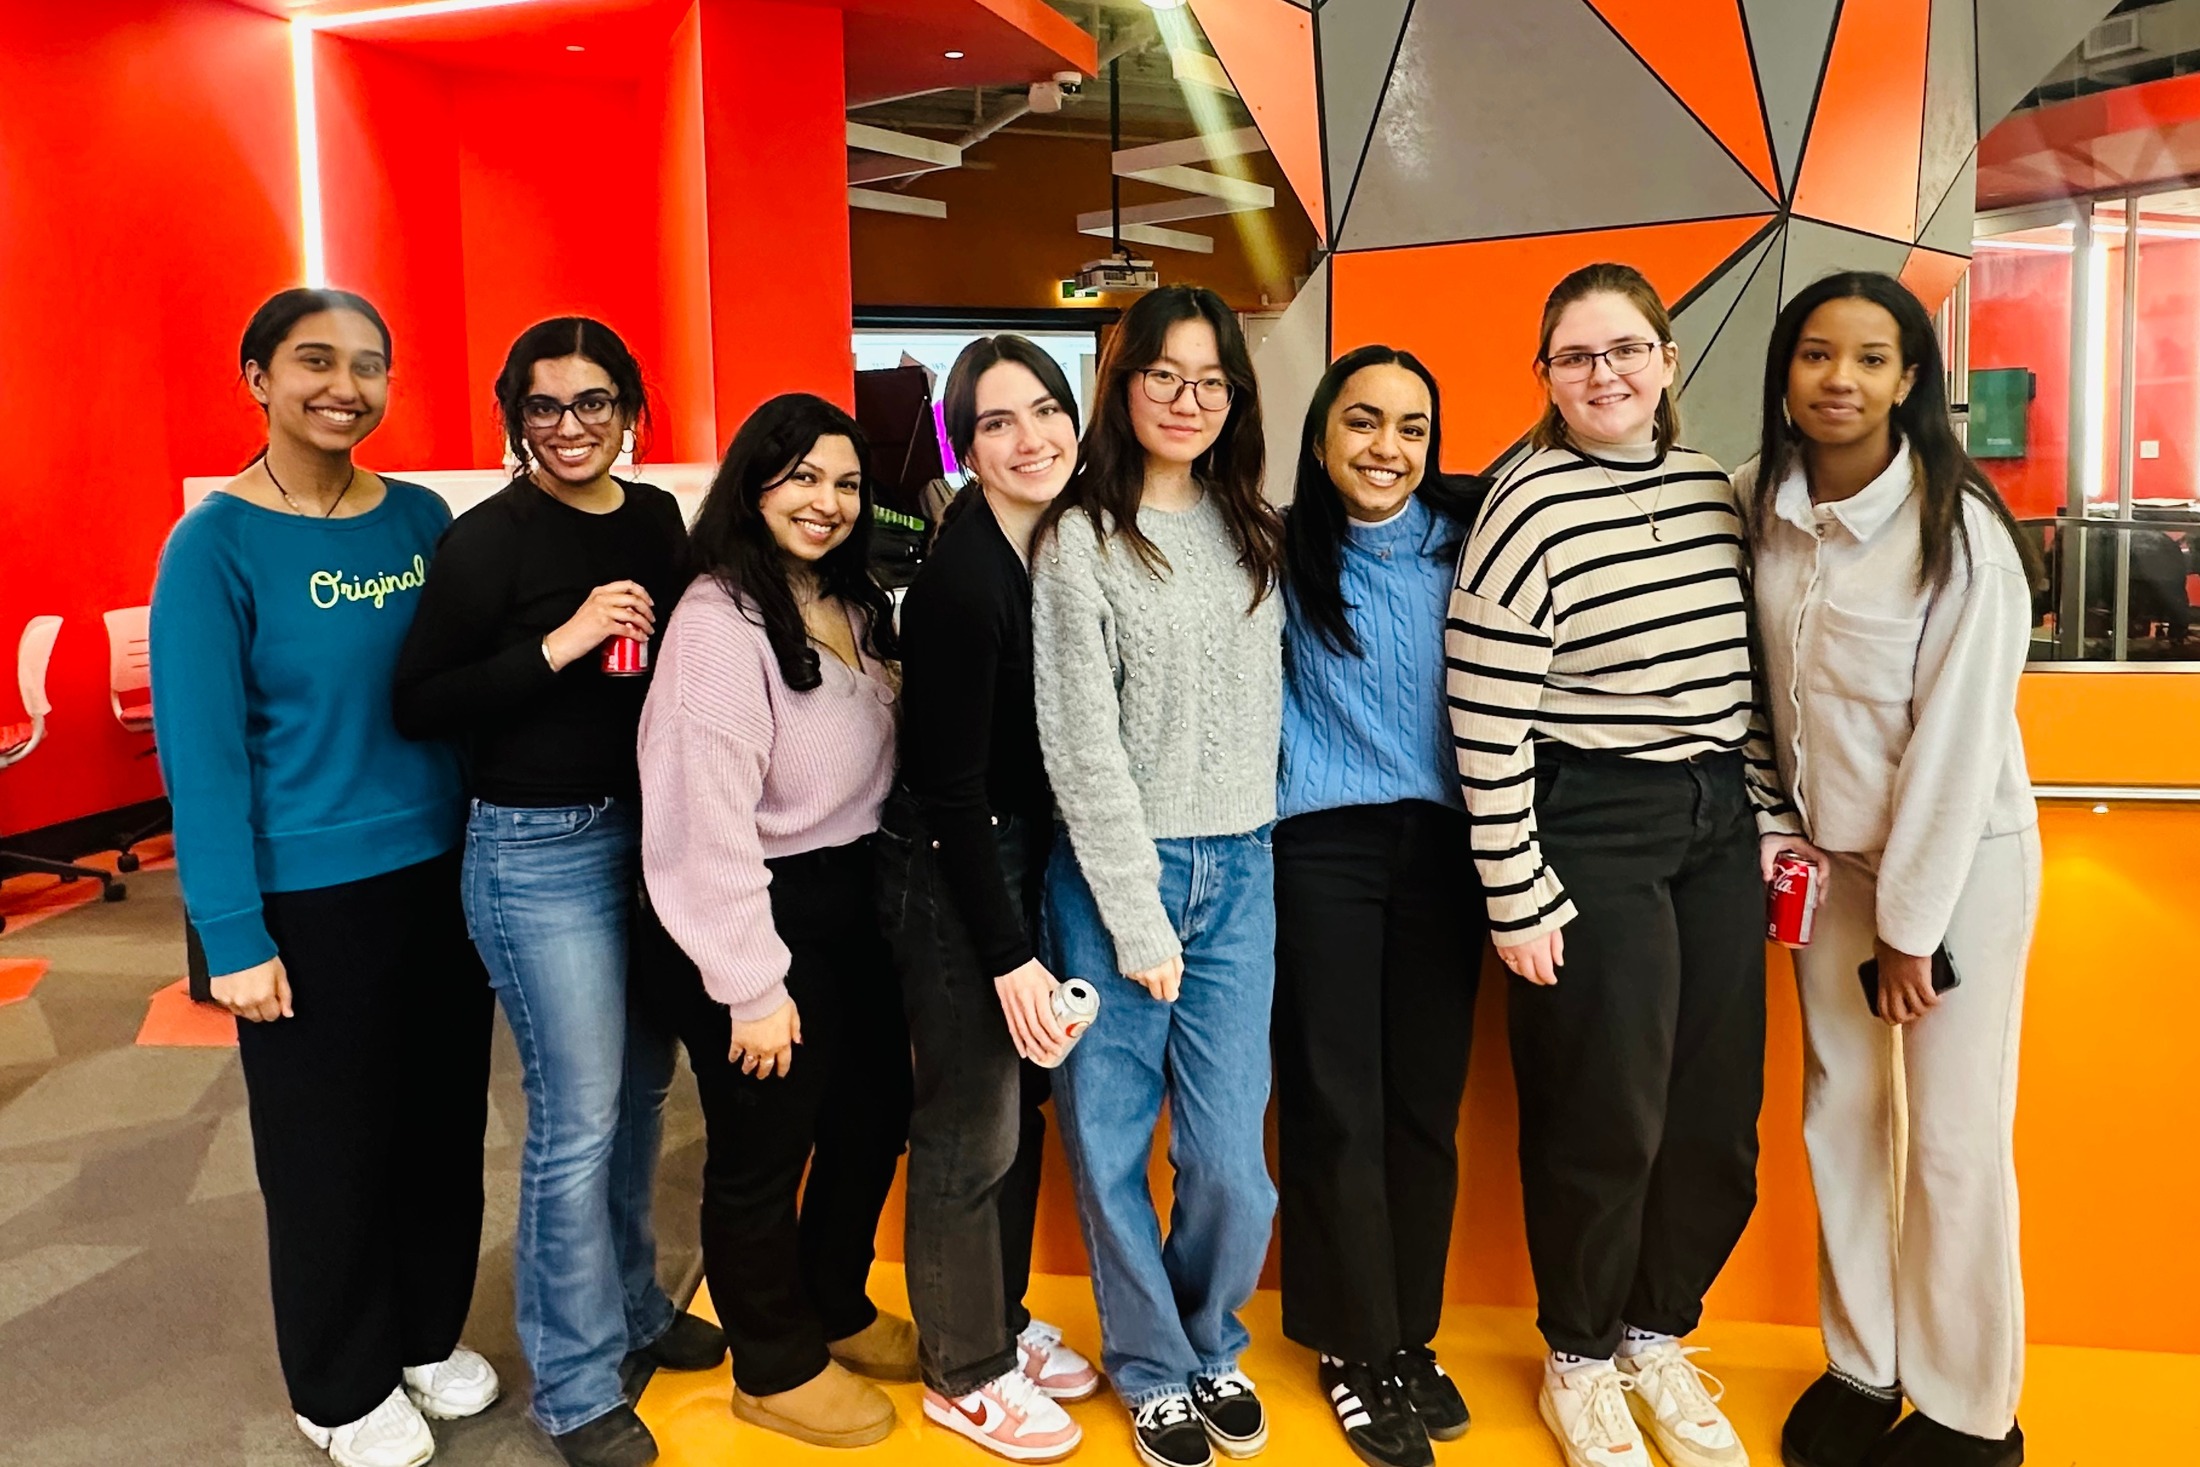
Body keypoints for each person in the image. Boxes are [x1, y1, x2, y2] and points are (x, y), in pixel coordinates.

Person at [1445, 262, 1811, 1467]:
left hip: (1711, 821)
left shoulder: (1714, 489)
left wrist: (1759, 815)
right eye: (1574, 356)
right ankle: (1581, 1356)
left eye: (1623, 350)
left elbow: (1740, 683)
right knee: (1606, 1109)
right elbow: (1484, 716)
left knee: (1714, 1113)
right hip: (1589, 817)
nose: (1602, 375)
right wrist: (1514, 886)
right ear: (1545, 376)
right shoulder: (1524, 504)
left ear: (1665, 359)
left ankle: (1657, 1333)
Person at [151, 287, 497, 1467]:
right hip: (306, 898)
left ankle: (418, 1334)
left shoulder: (416, 518)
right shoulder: (213, 545)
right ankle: (338, 1382)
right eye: (314, 361)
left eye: (369, 365)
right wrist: (232, 936)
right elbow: (200, 761)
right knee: (326, 1148)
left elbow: (461, 681)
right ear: (256, 376)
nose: (345, 386)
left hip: (443, 873)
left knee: (440, 1126)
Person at [392, 317, 724, 1467]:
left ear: (631, 409)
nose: (570, 427)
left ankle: (632, 1305)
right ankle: (575, 1385)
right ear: (514, 418)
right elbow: (419, 700)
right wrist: (563, 643)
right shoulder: (487, 542)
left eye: (593, 403)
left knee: (642, 1090)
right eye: (544, 407)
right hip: (535, 848)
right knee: (575, 1121)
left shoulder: (654, 519)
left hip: (647, 840)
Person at [1742, 274, 2039, 1467]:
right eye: (1817, 355)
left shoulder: (1956, 532)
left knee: (1957, 1135)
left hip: (1955, 869)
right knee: (1841, 1115)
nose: (1840, 381)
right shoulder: (1757, 502)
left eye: (1870, 359)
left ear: (1909, 380)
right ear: (1785, 372)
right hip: (1827, 870)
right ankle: (1864, 1365)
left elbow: (1957, 747)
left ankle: (1971, 1408)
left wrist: (1910, 930)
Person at [1031, 285, 1285, 1467]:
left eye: (1210, 381)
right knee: (1109, 1137)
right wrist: (1134, 915)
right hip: (1112, 874)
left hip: (1242, 868)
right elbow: (1079, 743)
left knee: (1232, 1163)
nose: (1186, 401)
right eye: (1163, 376)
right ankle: (1151, 1367)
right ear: (1120, 386)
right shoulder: (1079, 536)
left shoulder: (1255, 528)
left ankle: (1204, 1337)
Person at [632, 392, 915, 1449]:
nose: (826, 502)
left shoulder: (850, 599)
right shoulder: (717, 622)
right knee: (762, 1147)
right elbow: (700, 825)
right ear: (752, 485)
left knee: (870, 1114)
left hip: (852, 906)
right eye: (800, 477)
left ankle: (830, 1301)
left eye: (845, 483)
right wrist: (751, 985)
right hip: (751, 909)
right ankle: (772, 1358)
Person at [878, 336, 1101, 1463]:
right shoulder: (967, 577)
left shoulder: (1047, 544)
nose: (1032, 439)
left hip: (1014, 856)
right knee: (969, 1125)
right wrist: (1010, 954)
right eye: (999, 422)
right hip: (955, 871)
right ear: (966, 445)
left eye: (1047, 410)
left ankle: (997, 1326)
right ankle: (962, 1372)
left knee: (1014, 1122)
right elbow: (952, 791)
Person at [1272, 346, 1486, 1467]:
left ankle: (1407, 1331)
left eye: (1410, 427)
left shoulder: (1468, 546)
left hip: (1448, 851)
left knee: (1421, 1110)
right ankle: (1350, 1346)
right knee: (1333, 1103)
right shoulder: (1278, 551)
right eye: (1362, 423)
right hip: (1322, 849)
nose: (1386, 449)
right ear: (1320, 438)